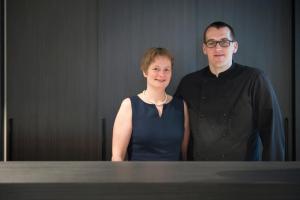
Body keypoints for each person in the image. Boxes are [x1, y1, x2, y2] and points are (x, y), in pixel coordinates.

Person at [175, 21, 285, 161]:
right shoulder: (188, 83)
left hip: (243, 173)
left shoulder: (254, 79)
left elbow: (272, 129)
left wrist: (273, 174)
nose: (218, 48)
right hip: (198, 172)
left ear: (235, 47)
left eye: (224, 42)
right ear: (204, 48)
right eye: (211, 43)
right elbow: (175, 129)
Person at [112, 47, 190, 161]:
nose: (162, 74)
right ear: (145, 71)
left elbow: (184, 155)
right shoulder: (129, 105)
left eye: (167, 69)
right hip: (138, 178)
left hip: (175, 177)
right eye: (156, 69)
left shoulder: (181, 106)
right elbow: (117, 156)